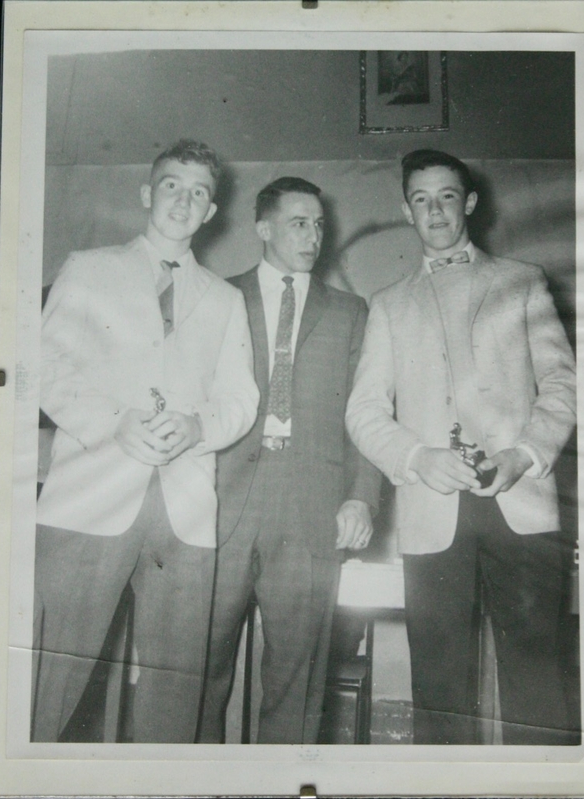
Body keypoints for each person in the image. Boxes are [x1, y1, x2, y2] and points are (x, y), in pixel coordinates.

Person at [345, 150, 576, 745]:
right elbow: (364, 412)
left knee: (538, 682)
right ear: (406, 211)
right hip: (430, 509)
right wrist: (419, 458)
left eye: (447, 195)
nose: (435, 210)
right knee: (439, 690)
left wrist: (522, 454)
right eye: (421, 199)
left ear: (469, 203)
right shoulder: (388, 304)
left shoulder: (522, 280)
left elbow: (563, 385)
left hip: (519, 503)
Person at [32, 139, 259, 743]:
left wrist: (196, 428)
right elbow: (41, 368)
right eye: (172, 186)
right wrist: (114, 422)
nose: (184, 200)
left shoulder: (227, 299)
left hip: (182, 516)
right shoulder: (88, 267)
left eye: (199, 192)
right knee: (51, 684)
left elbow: (240, 401)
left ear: (212, 211)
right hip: (89, 500)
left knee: (175, 700)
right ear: (146, 194)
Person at [199, 177, 381, 744]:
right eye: (299, 222)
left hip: (312, 506)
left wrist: (362, 495)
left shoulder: (353, 311)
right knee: (199, 667)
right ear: (263, 229)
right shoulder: (217, 297)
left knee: (299, 679)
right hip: (221, 500)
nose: (313, 235)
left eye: (319, 224)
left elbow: (368, 410)